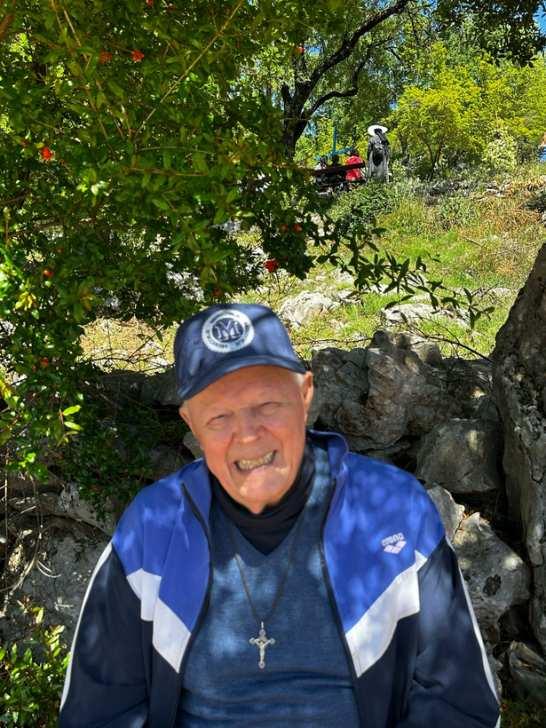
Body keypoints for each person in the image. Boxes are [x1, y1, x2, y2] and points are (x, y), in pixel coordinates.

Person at [59, 303, 500, 727]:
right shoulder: (153, 529)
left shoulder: (393, 512)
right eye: (219, 416)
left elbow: (461, 702)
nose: (248, 434)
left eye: (267, 405)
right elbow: (98, 711)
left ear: (305, 396)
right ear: (191, 423)